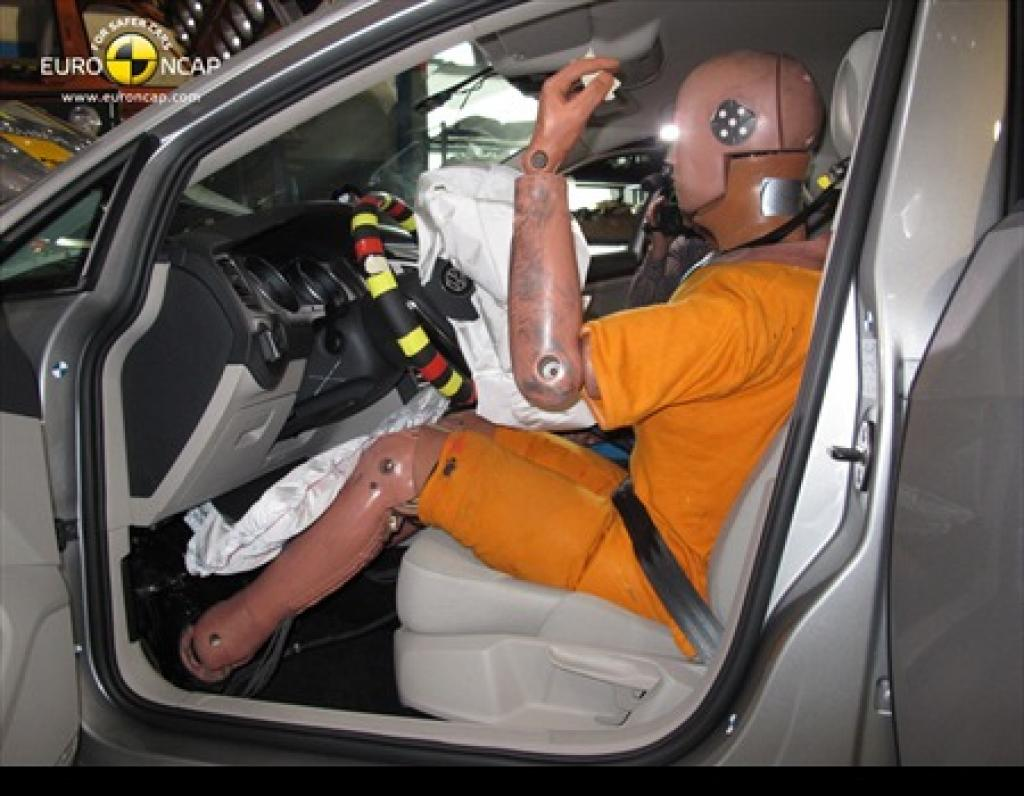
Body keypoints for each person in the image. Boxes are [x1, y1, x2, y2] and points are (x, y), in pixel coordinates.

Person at [179, 50, 827, 684]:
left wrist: (543, 164)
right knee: (468, 427)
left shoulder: (744, 308)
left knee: (396, 461)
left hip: (662, 567)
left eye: (682, 138)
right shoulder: (795, 276)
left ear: (733, 135)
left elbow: (549, 374)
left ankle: (226, 638)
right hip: (661, 514)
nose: (671, 159)